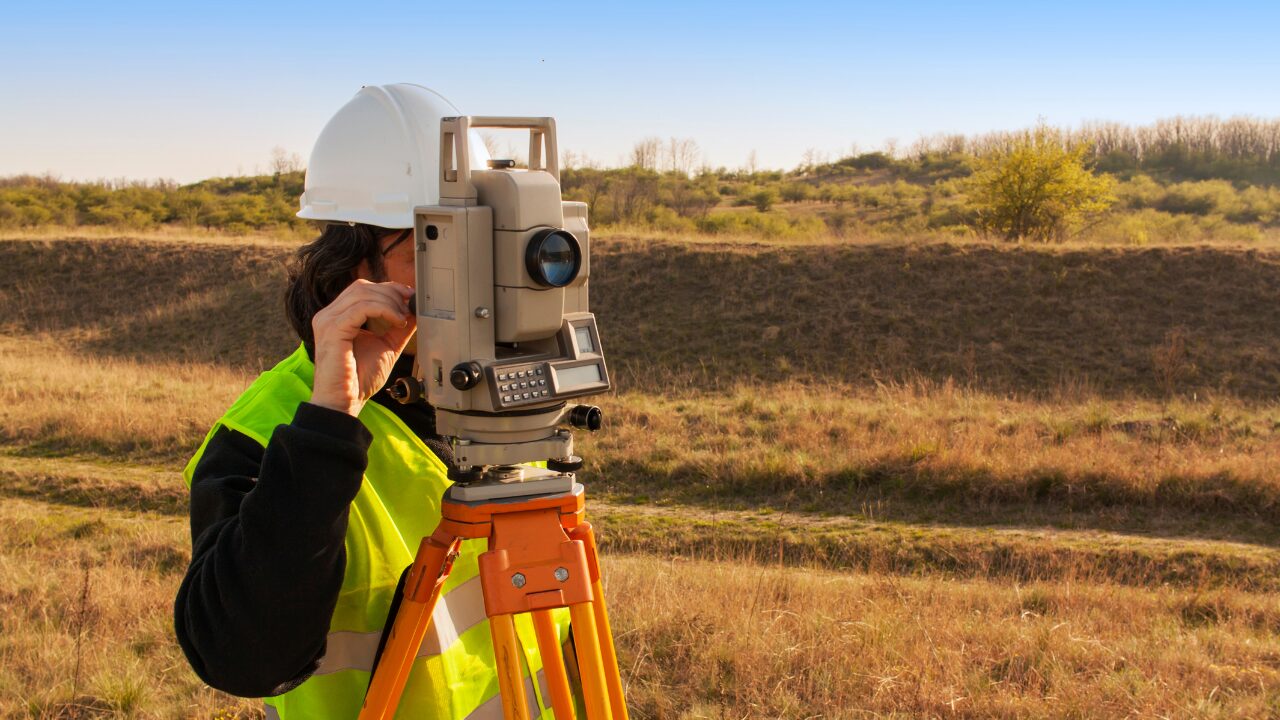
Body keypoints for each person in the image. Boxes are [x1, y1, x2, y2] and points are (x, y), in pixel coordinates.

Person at [174, 84, 572, 720]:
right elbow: (239, 655)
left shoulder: (495, 406)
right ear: (355, 267)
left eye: (489, 239)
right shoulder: (265, 433)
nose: (481, 274)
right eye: (440, 241)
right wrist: (331, 422)